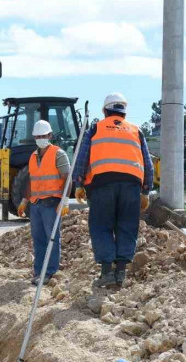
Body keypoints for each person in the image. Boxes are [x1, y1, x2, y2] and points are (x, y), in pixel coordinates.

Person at [72, 93, 154, 288]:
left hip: (102, 184)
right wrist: (146, 191)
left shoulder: (96, 128)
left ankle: (107, 272)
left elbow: (83, 156)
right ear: (124, 112)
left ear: (104, 111)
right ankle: (121, 273)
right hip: (131, 185)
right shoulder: (136, 130)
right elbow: (147, 163)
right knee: (127, 225)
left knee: (102, 225)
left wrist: (79, 184)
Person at [17, 120, 70, 285]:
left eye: (43, 136)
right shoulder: (33, 156)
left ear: (50, 136)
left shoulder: (59, 154)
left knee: (52, 239)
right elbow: (31, 182)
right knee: (38, 239)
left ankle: (49, 272)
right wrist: (24, 201)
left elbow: (68, 178)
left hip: (52, 203)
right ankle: (39, 271)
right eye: (37, 136)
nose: (40, 138)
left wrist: (65, 201)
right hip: (36, 204)